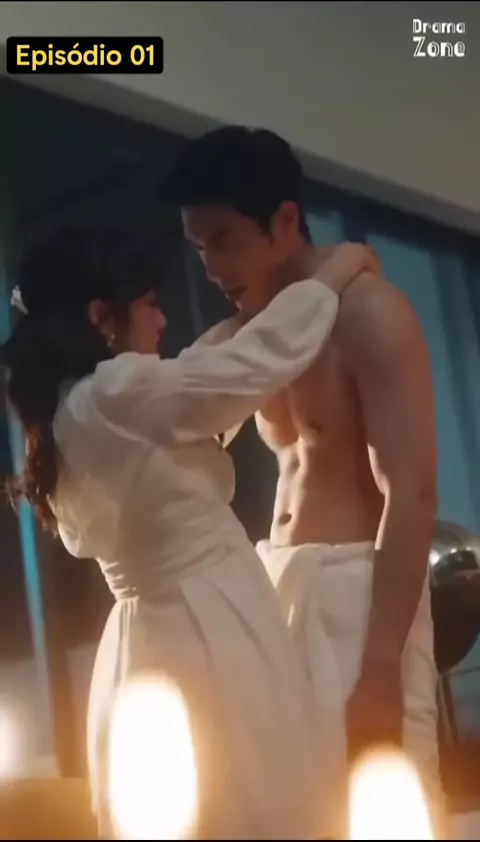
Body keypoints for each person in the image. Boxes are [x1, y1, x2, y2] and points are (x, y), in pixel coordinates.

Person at [1, 227, 367, 840]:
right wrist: (330, 277)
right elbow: (235, 375)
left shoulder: (78, 406)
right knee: (247, 789)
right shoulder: (115, 392)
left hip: (154, 629)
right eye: (149, 303)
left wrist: (242, 323)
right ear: (102, 318)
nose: (162, 318)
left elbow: (195, 385)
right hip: (205, 621)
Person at [161, 126, 444, 837]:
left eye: (224, 241)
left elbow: (412, 494)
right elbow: (172, 399)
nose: (212, 267)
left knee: (381, 801)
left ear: (285, 219)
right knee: (288, 815)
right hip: (275, 585)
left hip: (357, 591)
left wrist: (380, 664)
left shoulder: (369, 313)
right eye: (199, 249)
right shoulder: (257, 334)